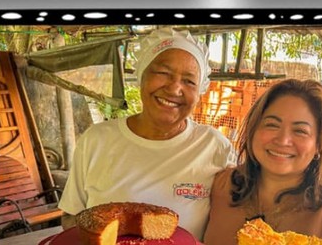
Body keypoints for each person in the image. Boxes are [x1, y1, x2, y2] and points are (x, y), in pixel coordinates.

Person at [58, 28, 236, 239]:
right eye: (163, 73)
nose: (174, 88)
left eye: (189, 81)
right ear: (141, 75)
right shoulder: (96, 140)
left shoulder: (215, 147)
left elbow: (231, 222)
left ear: (199, 92)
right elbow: (71, 215)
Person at [203, 79, 322, 245]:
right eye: (272, 125)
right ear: (253, 130)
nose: (283, 140)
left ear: (318, 145)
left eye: (300, 131)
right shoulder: (218, 187)